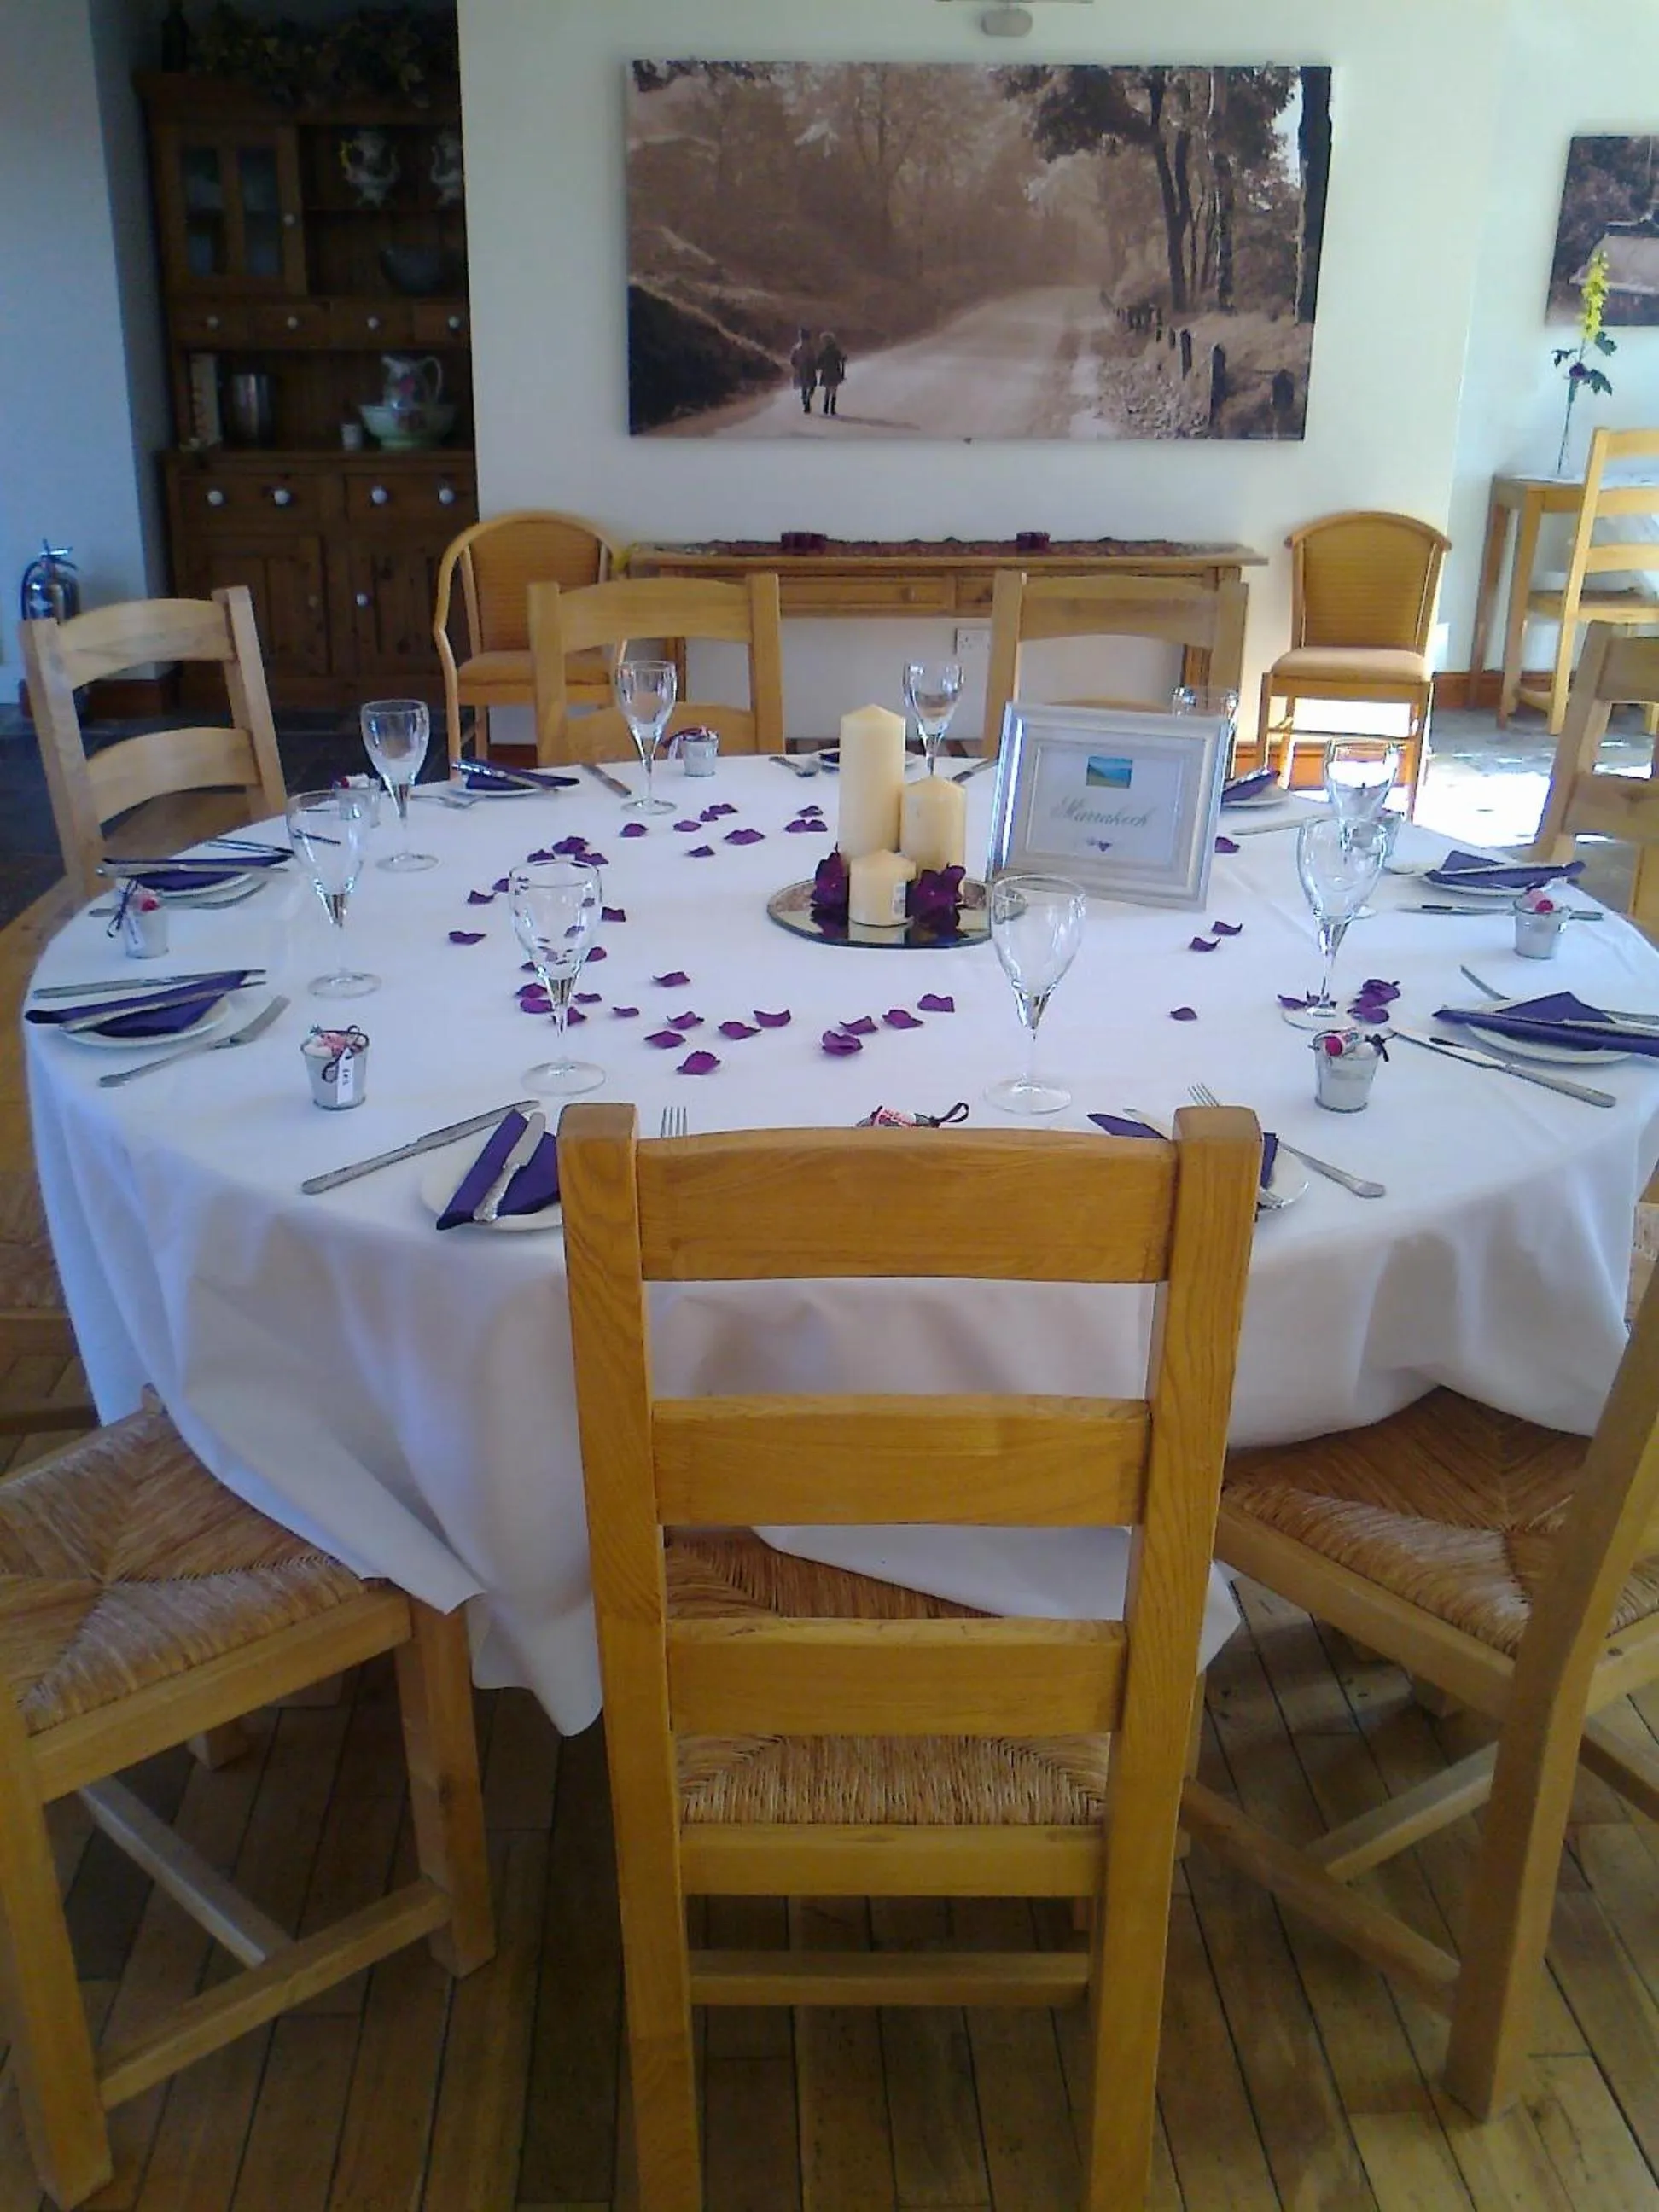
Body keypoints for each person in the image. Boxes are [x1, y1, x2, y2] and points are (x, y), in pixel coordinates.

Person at [817, 330, 847, 416]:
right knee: (834, 390)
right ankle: (832, 409)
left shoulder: (823, 352)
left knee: (827, 390)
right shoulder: (835, 351)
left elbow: (818, 363)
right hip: (834, 372)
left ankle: (826, 409)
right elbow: (841, 359)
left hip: (826, 372)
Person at [789, 328, 818, 415]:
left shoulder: (796, 348)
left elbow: (792, 360)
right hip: (810, 369)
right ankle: (807, 401)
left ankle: (805, 402)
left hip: (800, 370)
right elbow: (814, 359)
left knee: (804, 387)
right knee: (812, 386)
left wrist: (796, 367)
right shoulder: (811, 348)